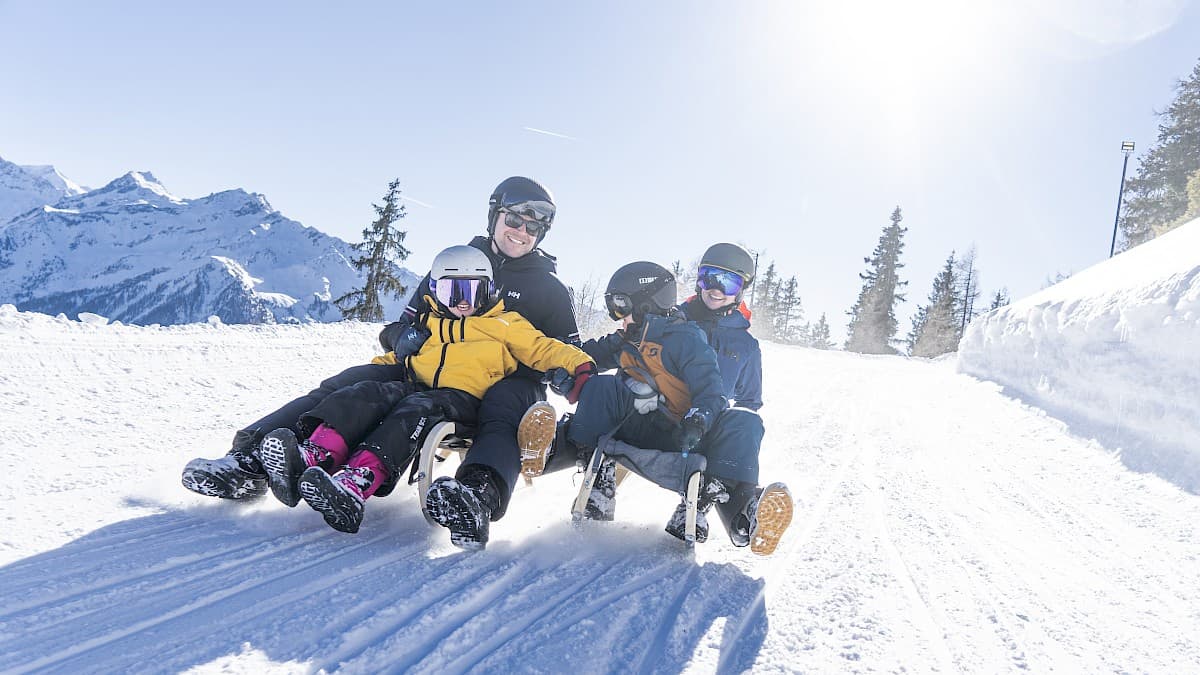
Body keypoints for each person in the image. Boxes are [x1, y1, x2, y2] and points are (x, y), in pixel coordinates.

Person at [181, 176, 581, 533]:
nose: (521, 232)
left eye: (533, 227)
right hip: (431, 363)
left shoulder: (548, 289)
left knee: (504, 402)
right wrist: (402, 337)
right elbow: (400, 325)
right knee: (350, 384)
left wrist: (565, 373)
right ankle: (252, 461)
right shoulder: (453, 262)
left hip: (508, 379)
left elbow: (565, 350)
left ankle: (478, 493)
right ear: (494, 216)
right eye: (514, 220)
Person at [252, 245, 595, 543]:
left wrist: (580, 366)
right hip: (420, 386)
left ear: (488, 291)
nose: (462, 302)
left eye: (472, 292)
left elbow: (545, 348)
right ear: (434, 292)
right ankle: (315, 456)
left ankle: (358, 481)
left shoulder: (504, 324)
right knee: (365, 392)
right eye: (451, 293)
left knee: (414, 408)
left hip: (465, 400)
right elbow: (402, 356)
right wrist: (384, 361)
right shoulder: (430, 323)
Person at [520, 261, 793, 556]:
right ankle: (564, 461)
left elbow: (712, 392)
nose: (617, 316)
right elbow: (582, 357)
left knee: (745, 422)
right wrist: (563, 371)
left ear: (647, 303)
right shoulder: (626, 338)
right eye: (613, 307)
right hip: (642, 426)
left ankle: (742, 515)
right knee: (602, 387)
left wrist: (699, 419)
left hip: (687, 435)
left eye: (621, 306)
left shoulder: (685, 338)